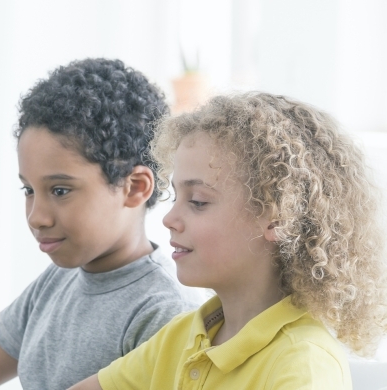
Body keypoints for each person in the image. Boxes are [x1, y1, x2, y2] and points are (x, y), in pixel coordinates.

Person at [0, 58, 201, 390]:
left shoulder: (164, 312)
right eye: (29, 190)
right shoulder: (59, 280)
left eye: (60, 190)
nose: (36, 217)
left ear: (135, 188)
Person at [70, 92, 387, 389]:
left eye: (197, 202)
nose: (169, 220)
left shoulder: (304, 364)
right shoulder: (182, 336)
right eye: (175, 197)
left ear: (277, 217)